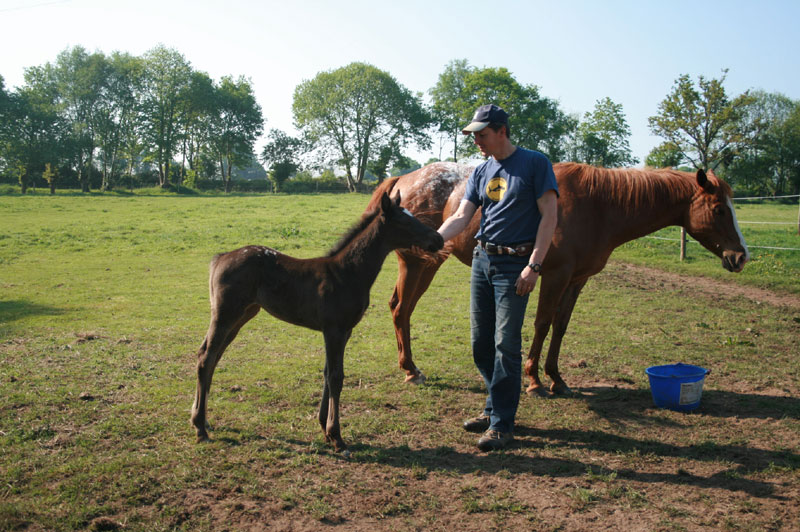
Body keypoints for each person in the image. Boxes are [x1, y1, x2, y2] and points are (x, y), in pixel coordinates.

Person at [436, 103, 559, 451]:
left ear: (502, 131)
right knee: (481, 344)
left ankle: (502, 424)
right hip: (482, 260)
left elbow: (549, 217)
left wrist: (534, 266)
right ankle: (493, 408)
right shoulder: (482, 170)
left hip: (515, 266)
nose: (477, 141)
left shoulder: (535, 163)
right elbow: (462, 216)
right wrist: (434, 239)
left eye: (482, 134)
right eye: (474, 135)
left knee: (506, 345)